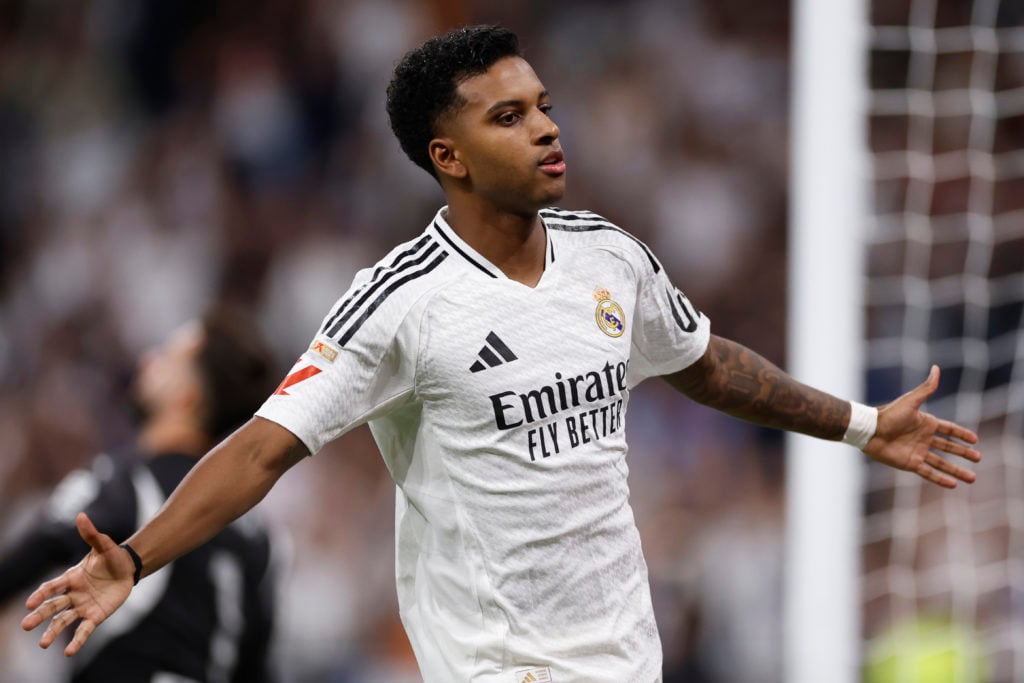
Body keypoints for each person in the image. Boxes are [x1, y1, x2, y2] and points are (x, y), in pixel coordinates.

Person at [21, 25, 981, 683]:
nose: (548, 126)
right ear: (450, 156)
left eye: (544, 104)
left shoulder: (610, 256)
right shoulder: (399, 303)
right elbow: (265, 446)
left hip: (624, 660)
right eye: (509, 116)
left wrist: (859, 424)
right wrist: (136, 559)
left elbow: (703, 363)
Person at [5, 306, 280, 683]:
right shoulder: (259, 532)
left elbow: (19, 565)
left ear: (188, 398)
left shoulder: (122, 482)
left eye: (168, 356)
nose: (150, 359)